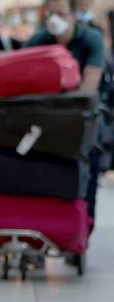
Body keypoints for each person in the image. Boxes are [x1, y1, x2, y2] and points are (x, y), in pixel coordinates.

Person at [27, 0, 106, 231]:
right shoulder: (39, 41)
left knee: (87, 169)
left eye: (60, 13)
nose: (54, 18)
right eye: (50, 13)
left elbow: (88, 88)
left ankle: (83, 225)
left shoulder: (91, 40)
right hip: (46, 119)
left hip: (83, 119)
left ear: (74, 15)